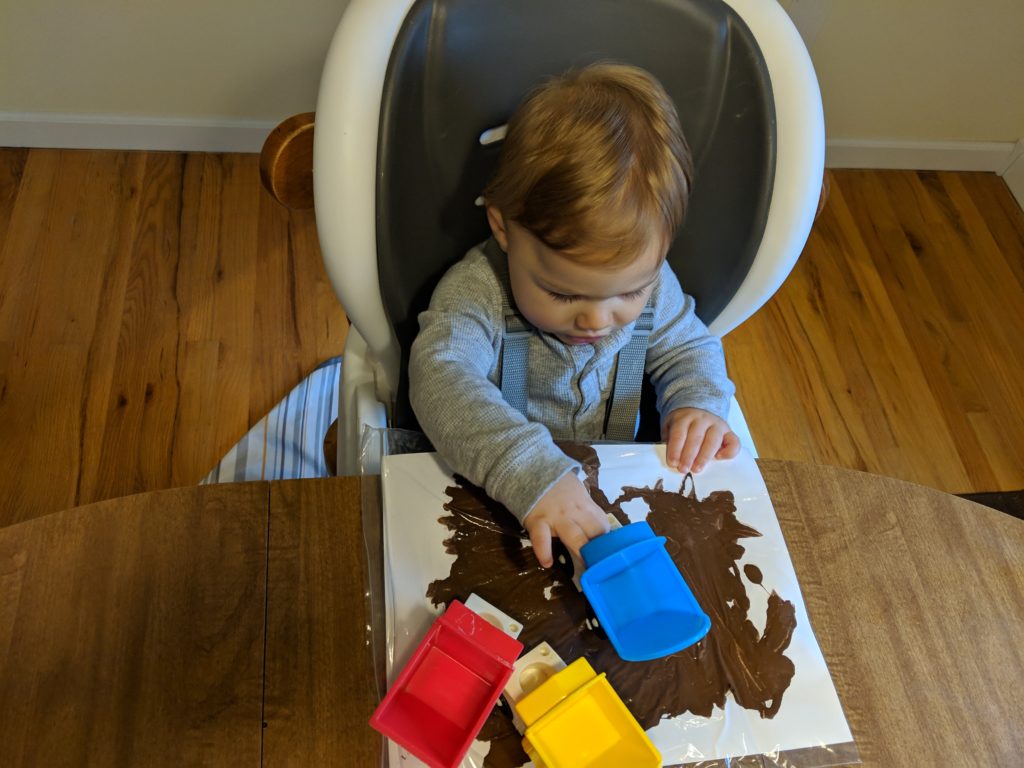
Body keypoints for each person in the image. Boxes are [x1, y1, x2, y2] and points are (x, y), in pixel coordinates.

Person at [409, 63, 739, 568]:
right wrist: (528, 471)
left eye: (630, 293)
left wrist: (697, 403)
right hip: (498, 484)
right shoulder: (480, 291)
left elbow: (688, 347)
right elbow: (439, 377)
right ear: (503, 228)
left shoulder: (654, 285)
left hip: (612, 484)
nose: (598, 321)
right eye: (564, 295)